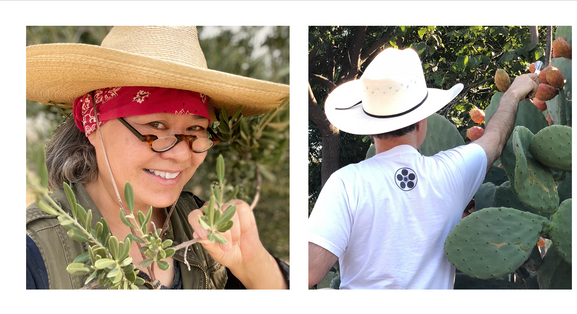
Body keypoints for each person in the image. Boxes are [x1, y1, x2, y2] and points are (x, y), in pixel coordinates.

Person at [26, 26, 289, 289]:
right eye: (156, 125)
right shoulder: (31, 255)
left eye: (195, 129)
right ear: (91, 121)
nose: (181, 153)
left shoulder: (206, 226)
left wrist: (253, 263)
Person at [308, 48, 538, 289]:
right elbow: (495, 139)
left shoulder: (346, 183)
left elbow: (309, 271)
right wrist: (512, 94)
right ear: (421, 122)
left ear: (370, 127)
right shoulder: (453, 173)